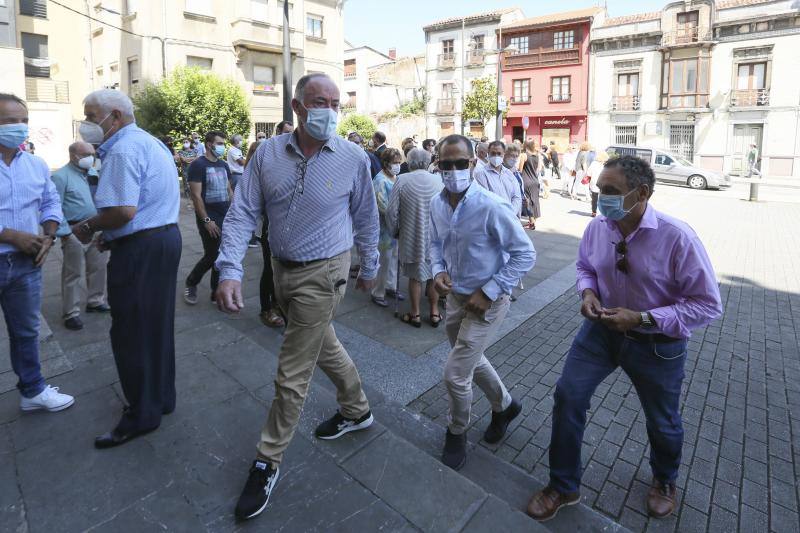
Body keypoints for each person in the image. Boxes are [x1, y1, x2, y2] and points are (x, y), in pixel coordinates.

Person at [215, 73, 379, 521]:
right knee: (323, 344)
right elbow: (244, 211)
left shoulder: (351, 157)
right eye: (317, 101)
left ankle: (268, 459)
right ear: (297, 106)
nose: (327, 110)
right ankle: (357, 408)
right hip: (280, 269)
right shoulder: (267, 154)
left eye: (334, 102)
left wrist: (371, 264)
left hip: (325, 273)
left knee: (292, 371)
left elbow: (366, 215)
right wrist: (229, 269)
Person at [526, 155, 723, 521]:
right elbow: (585, 267)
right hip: (600, 333)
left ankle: (664, 479)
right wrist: (587, 294)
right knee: (568, 396)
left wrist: (645, 316)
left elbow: (708, 305)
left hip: (656, 344)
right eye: (600, 190)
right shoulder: (598, 228)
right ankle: (563, 484)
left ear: (642, 193)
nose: (602, 199)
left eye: (611, 191)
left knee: (662, 420)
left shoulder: (677, 237)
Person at [73, 89, 181, 448]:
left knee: (132, 333)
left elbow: (122, 211)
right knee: (156, 325)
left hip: (143, 251)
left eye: (91, 116)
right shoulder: (149, 142)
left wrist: (89, 227)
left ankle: (141, 414)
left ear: (115, 116)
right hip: (162, 239)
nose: (87, 124)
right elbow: (144, 204)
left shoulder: (122, 148)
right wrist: (115, 236)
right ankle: (161, 397)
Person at [430, 134, 536, 470]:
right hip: (456, 298)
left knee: (455, 374)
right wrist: (437, 272)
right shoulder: (436, 203)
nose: (452, 170)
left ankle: (456, 431)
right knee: (470, 361)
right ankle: (505, 405)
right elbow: (435, 244)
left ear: (472, 163)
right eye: (445, 164)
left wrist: (489, 291)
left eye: (460, 163)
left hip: (488, 302)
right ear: (437, 165)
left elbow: (525, 254)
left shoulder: (491, 206)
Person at [0, 93, 74, 413]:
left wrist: (49, 232)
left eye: (24, 121)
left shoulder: (36, 164)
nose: (19, 127)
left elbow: (50, 202)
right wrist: (9, 235)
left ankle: (32, 390)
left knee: (27, 331)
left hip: (27, 264)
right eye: (10, 121)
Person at [51, 141, 110, 331]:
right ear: (74, 156)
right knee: (73, 273)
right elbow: (53, 207)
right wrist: (66, 234)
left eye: (93, 154)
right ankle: (71, 313)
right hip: (74, 230)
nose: (91, 158)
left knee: (99, 268)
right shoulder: (60, 177)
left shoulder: (92, 174)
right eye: (87, 154)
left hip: (97, 227)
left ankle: (95, 301)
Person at [386, 148, 442, 328]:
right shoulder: (439, 180)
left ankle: (415, 313)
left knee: (415, 277)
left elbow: (391, 211)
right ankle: (434, 312)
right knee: (434, 275)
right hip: (435, 236)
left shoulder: (402, 180)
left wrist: (394, 230)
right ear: (427, 162)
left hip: (411, 235)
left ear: (409, 162)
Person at [183, 131, 232, 305]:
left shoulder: (224, 165)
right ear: (209, 144)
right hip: (208, 217)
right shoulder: (198, 165)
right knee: (212, 254)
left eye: (223, 143)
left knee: (223, 255)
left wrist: (235, 212)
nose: (222, 146)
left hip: (225, 214)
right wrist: (206, 221)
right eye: (219, 143)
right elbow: (196, 196)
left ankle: (215, 291)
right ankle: (191, 282)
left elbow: (228, 190)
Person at [257, 122, 294, 329]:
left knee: (285, 271)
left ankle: (280, 305)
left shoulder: (296, 156)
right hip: (272, 224)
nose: (291, 136)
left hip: (293, 225)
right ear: (278, 133)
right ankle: (266, 308)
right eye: (287, 132)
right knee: (269, 269)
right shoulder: (267, 155)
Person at [371, 147, 403, 307]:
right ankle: (378, 291)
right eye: (394, 163)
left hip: (395, 227)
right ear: (386, 163)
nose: (397, 165)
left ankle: (391, 286)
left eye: (399, 162)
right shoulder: (380, 180)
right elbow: (382, 205)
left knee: (394, 258)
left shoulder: (395, 177)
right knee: (384, 260)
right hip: (384, 228)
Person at [474, 140, 522, 216]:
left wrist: (511, 213)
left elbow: (516, 197)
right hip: (493, 218)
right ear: (488, 154)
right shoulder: (481, 174)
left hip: (510, 218)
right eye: (493, 153)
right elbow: (486, 199)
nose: (496, 156)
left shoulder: (509, 174)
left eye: (499, 154)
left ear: (503, 154)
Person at [521, 140, 542, 230]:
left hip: (526, 180)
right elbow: (539, 168)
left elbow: (519, 169)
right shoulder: (537, 156)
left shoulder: (524, 155)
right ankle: (533, 220)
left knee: (528, 201)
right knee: (535, 200)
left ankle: (532, 222)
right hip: (535, 180)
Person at [586, 151, 607, 217]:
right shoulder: (606, 165)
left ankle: (594, 212)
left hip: (594, 182)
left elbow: (589, 173)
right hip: (604, 183)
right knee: (603, 198)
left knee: (594, 198)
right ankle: (603, 212)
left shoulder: (594, 163)